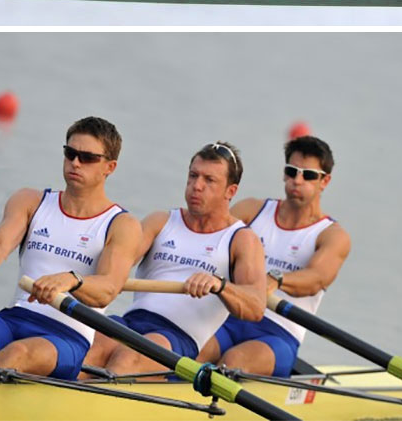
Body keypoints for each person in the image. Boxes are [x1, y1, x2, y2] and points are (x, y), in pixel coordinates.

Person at [0, 116, 141, 380]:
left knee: (15, 354)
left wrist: (72, 280)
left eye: (87, 158)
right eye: (70, 153)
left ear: (109, 167)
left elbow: (108, 289)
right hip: (14, 318)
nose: (75, 162)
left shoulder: (122, 224)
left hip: (67, 336)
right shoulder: (30, 201)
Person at [85, 141, 266, 373]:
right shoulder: (160, 221)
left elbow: (256, 307)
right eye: (193, 176)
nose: (196, 186)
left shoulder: (241, 240)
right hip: (130, 321)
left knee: (128, 359)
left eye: (209, 180)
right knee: (90, 348)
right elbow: (114, 265)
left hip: (177, 336)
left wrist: (220, 285)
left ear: (230, 191)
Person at [199, 135, 350, 377]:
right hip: (230, 317)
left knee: (233, 361)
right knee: (193, 350)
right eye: (291, 171)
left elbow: (316, 279)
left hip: (278, 333)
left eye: (308, 175)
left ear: (325, 181)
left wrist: (275, 280)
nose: (297, 180)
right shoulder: (251, 210)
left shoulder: (332, 235)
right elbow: (208, 242)